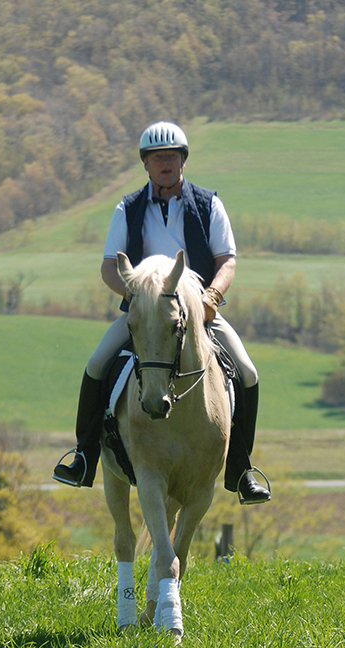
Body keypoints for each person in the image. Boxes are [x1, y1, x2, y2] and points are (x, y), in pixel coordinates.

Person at [53, 121, 270, 504]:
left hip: (200, 312)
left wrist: (212, 298)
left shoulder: (209, 205)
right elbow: (109, 267)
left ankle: (241, 468)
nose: (165, 163)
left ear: (183, 161)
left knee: (248, 373)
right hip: (145, 314)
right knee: (96, 364)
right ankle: (84, 455)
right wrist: (139, 300)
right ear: (146, 165)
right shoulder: (129, 208)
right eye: (157, 158)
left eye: (171, 156)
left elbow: (228, 261)